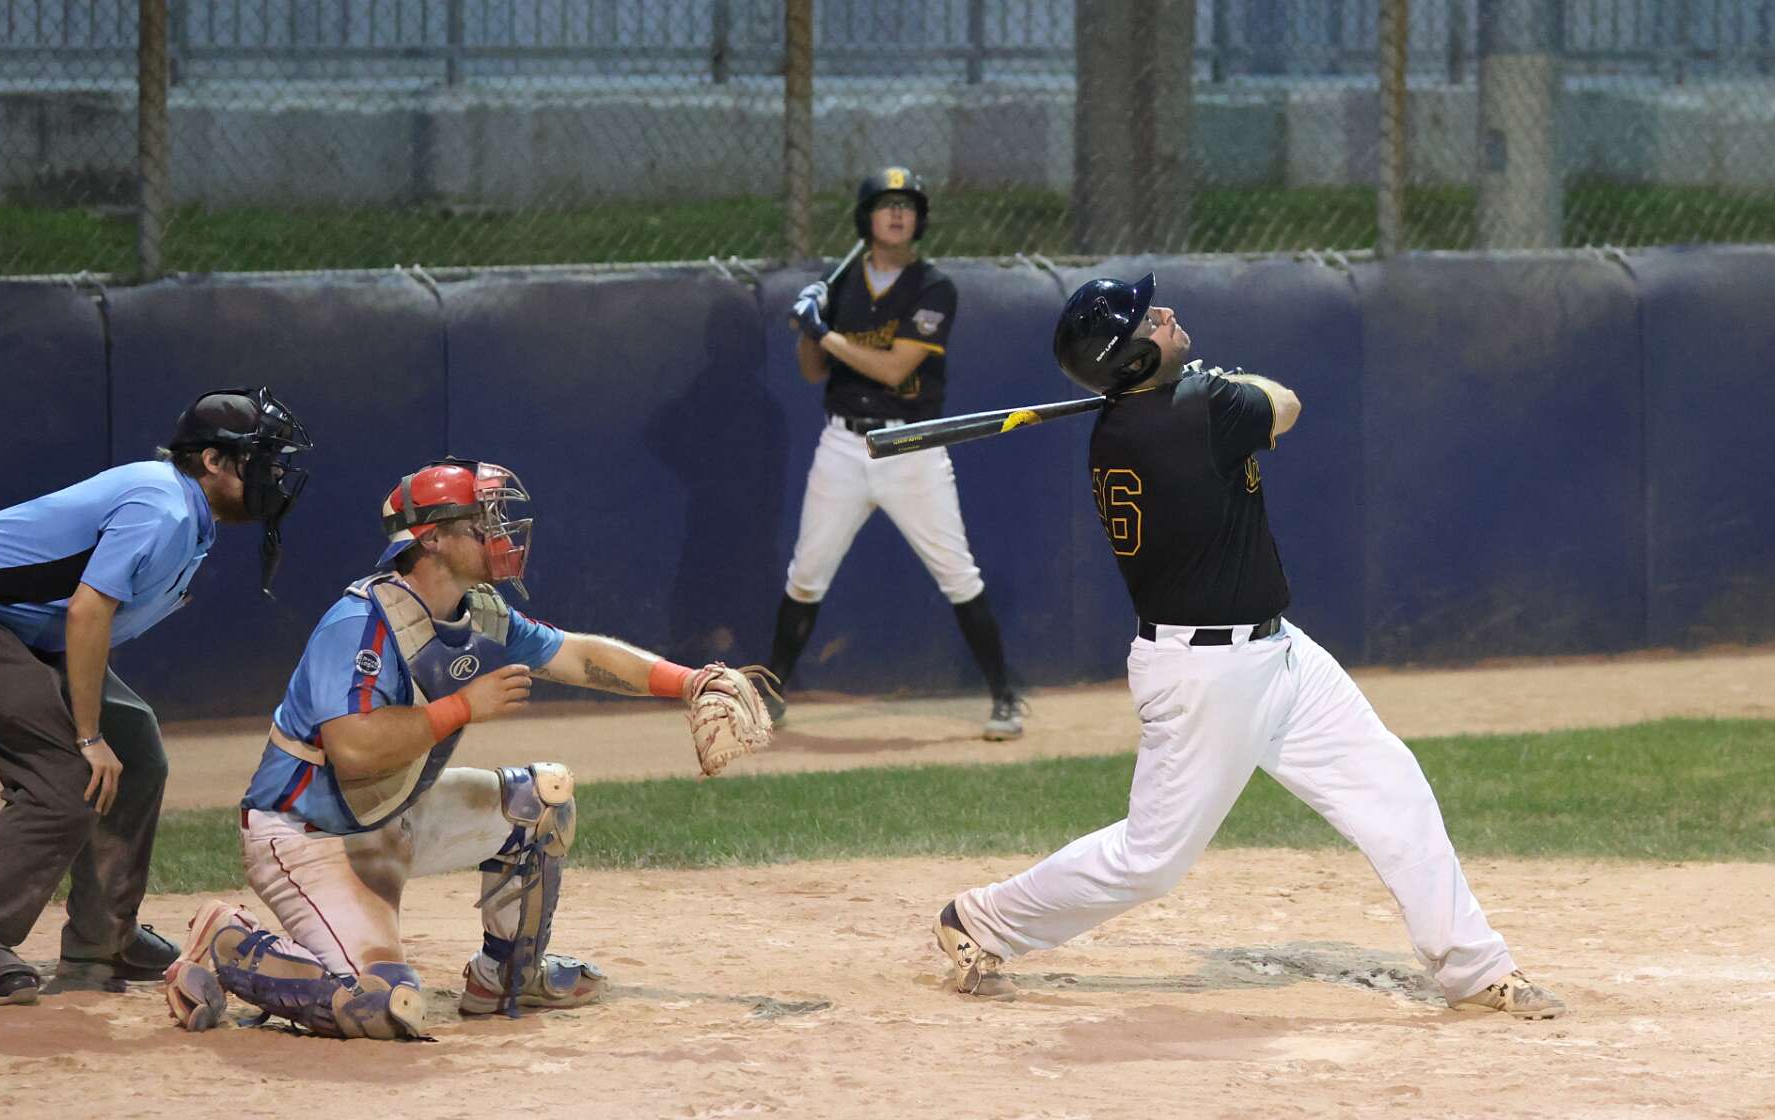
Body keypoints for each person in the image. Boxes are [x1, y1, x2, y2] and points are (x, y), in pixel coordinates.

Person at [933, 277, 1566, 1020]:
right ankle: (979, 920)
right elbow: (1286, 404)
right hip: (1206, 676)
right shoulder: (1193, 411)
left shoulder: (1135, 424)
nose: (1166, 314)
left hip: (1278, 655)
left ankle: (1475, 967)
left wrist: (1203, 385)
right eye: (1149, 320)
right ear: (1132, 360)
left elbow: (1222, 408)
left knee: (1392, 787)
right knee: (1151, 861)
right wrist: (1225, 380)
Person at [164, 457, 769, 1038]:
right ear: (430, 538)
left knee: (541, 801)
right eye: (481, 521)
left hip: (390, 812)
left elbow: (578, 655)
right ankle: (229, 942)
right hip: (306, 836)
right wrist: (461, 707)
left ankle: (507, 979)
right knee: (381, 1005)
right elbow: (353, 749)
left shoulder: (479, 614)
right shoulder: (361, 623)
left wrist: (690, 682)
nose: (498, 533)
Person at [0, 388, 312, 1006]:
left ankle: (103, 938)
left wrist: (103, 731)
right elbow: (88, 612)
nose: (273, 477)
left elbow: (81, 617)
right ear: (213, 461)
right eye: (261, 461)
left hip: (21, 626)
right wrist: (87, 736)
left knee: (136, 751)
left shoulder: (186, 512)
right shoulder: (163, 506)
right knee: (64, 779)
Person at [773, 166, 1025, 740]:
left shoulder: (934, 287)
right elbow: (813, 372)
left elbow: (894, 368)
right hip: (843, 443)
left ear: (919, 220)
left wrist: (824, 332)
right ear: (866, 217)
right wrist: (807, 328)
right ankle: (772, 692)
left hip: (912, 444)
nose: (896, 213)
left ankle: (1004, 697)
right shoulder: (840, 281)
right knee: (806, 574)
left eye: (907, 206)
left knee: (957, 573)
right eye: (886, 204)